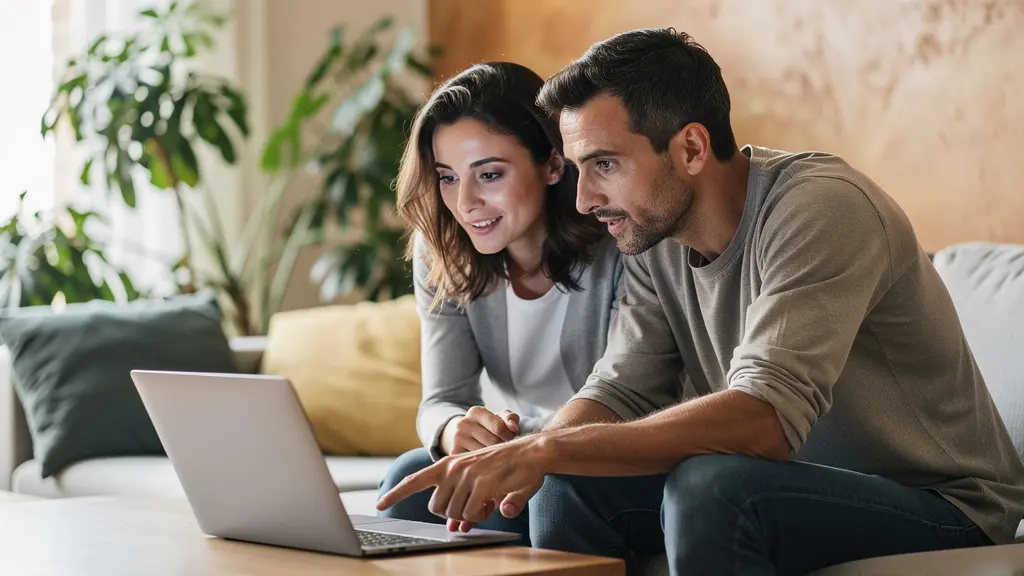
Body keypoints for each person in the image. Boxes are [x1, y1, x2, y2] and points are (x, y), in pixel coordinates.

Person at [377, 28, 1024, 575]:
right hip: (788, 484)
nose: (582, 199)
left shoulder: (819, 207)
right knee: (543, 482)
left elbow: (762, 418)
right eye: (580, 167)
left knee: (709, 488)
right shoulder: (654, 233)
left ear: (689, 147)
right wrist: (526, 460)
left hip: (941, 502)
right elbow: (622, 389)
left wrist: (544, 448)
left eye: (603, 164)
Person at [377, 61, 623, 544]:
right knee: (409, 480)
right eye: (447, 177)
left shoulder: (617, 245)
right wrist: (452, 430)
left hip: (598, 455)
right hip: (508, 453)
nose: (465, 202)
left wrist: (505, 440)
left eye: (488, 174)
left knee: (557, 487)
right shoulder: (443, 251)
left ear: (553, 164)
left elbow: (626, 402)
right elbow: (441, 399)